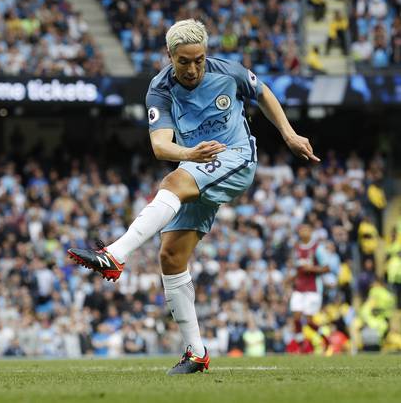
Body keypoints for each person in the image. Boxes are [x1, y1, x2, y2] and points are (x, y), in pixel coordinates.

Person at [68, 19, 319, 375]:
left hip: (235, 157)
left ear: (206, 54)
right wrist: (190, 155)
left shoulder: (228, 72)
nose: (192, 68)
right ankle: (196, 353)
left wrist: (289, 135)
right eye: (183, 61)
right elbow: (159, 145)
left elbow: (262, 93)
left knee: (173, 183)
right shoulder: (160, 89)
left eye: (198, 59)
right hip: (197, 165)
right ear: (170, 56)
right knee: (170, 256)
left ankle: (114, 255)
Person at [289, 223, 329, 347]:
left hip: (313, 288)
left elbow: (327, 268)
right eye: (301, 230)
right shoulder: (296, 248)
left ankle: (324, 338)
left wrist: (311, 268)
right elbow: (296, 267)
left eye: (306, 230)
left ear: (311, 232)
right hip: (299, 287)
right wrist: (291, 278)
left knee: (309, 321)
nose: (303, 233)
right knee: (296, 316)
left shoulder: (317, 248)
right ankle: (301, 344)